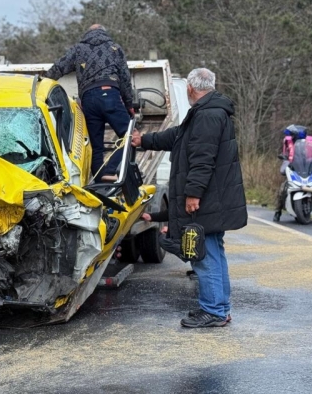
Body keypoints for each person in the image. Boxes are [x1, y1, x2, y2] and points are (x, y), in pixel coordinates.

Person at [131, 68, 247, 328]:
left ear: (191, 89)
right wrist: (145, 140)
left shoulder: (207, 115)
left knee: (204, 257)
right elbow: (178, 138)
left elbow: (202, 159)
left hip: (207, 199)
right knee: (213, 253)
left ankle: (215, 311)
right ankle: (219, 308)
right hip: (214, 199)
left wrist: (193, 193)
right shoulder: (209, 112)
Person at [44, 24, 134, 180]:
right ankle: (110, 170)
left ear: (88, 34)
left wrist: (42, 83)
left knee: (95, 146)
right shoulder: (114, 48)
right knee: (131, 137)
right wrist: (129, 104)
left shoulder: (78, 49)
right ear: (104, 33)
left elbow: (59, 67)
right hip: (109, 94)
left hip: (88, 100)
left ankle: (100, 179)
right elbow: (125, 78)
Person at [273, 125, 312, 222]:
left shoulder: (311, 143)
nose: (290, 137)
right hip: (294, 170)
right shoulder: (288, 143)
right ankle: (277, 212)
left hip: (309, 170)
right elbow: (285, 155)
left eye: (292, 135)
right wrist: (285, 160)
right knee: (283, 188)